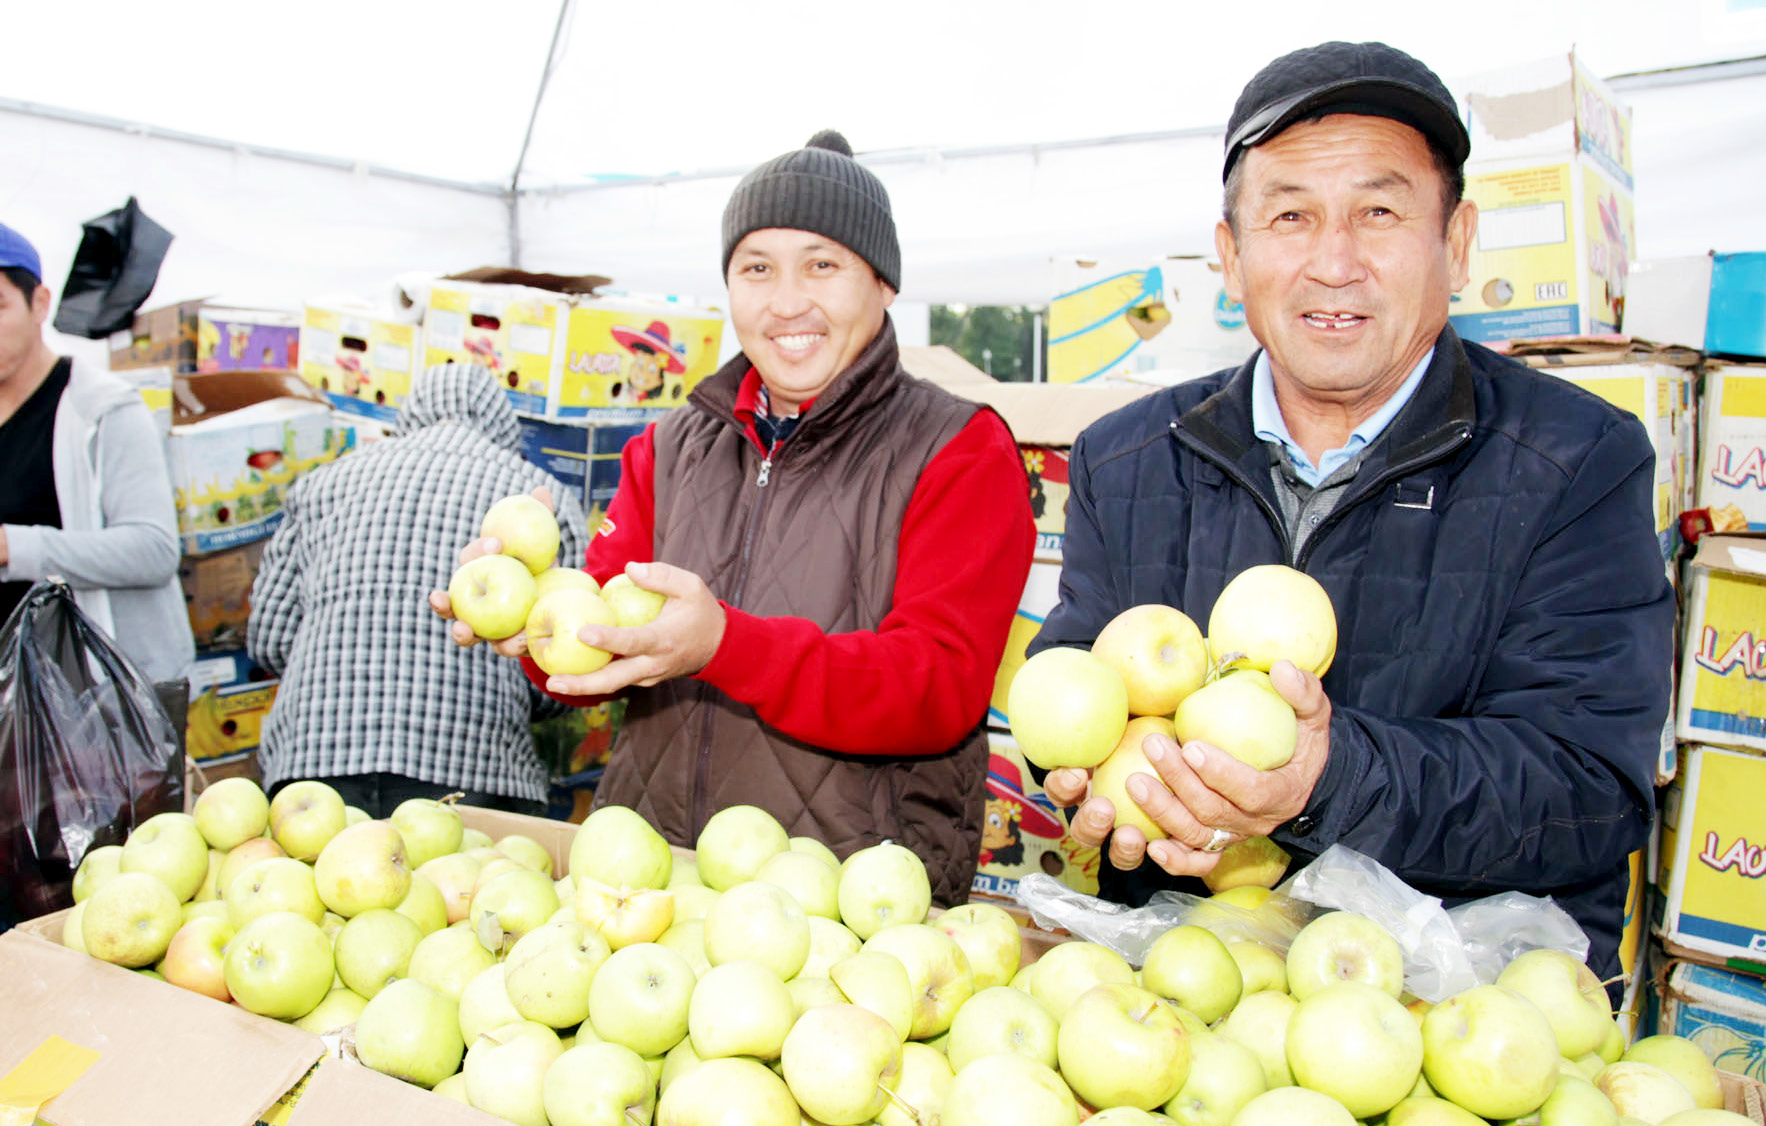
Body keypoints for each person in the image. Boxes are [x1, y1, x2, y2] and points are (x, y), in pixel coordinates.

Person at [1029, 42, 1674, 981]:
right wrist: (1082, 767)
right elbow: (1082, 658)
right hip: (1188, 1003)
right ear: (1231, 256)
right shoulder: (1127, 459)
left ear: (1455, 246)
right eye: (1290, 215)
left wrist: (1327, 778)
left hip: (1464, 1026)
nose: (1334, 262)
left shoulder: (1578, 463)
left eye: (1379, 211)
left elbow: (1588, 792)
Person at [434, 131, 1036, 906]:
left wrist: (726, 644)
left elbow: (938, 688)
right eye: (756, 268)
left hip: (843, 908)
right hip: (648, 896)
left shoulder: (958, 450)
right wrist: (531, 622)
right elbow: (608, 651)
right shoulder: (670, 446)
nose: (787, 302)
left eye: (822, 264)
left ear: (883, 284)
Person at [249, 361, 588, 817]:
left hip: (314, 767)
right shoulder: (538, 498)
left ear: (408, 418)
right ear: (505, 428)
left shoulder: (320, 485)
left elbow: (269, 640)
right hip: (473, 770)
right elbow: (561, 670)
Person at [0, 220, 193, 683]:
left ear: (39, 304)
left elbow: (153, 549)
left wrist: (12, 546)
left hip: (92, 699)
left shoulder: (103, 409)